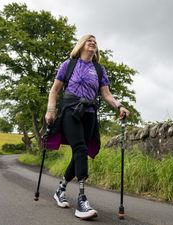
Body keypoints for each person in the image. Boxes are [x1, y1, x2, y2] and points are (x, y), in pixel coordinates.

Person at [45, 34, 130, 220]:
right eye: (88, 40)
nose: (92, 42)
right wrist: (50, 110)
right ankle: (82, 200)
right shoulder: (69, 65)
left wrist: (119, 106)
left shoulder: (99, 69)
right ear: (81, 45)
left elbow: (106, 94)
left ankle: (60, 189)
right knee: (80, 148)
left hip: (89, 113)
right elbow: (55, 90)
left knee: (79, 154)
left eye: (95, 41)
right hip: (70, 110)